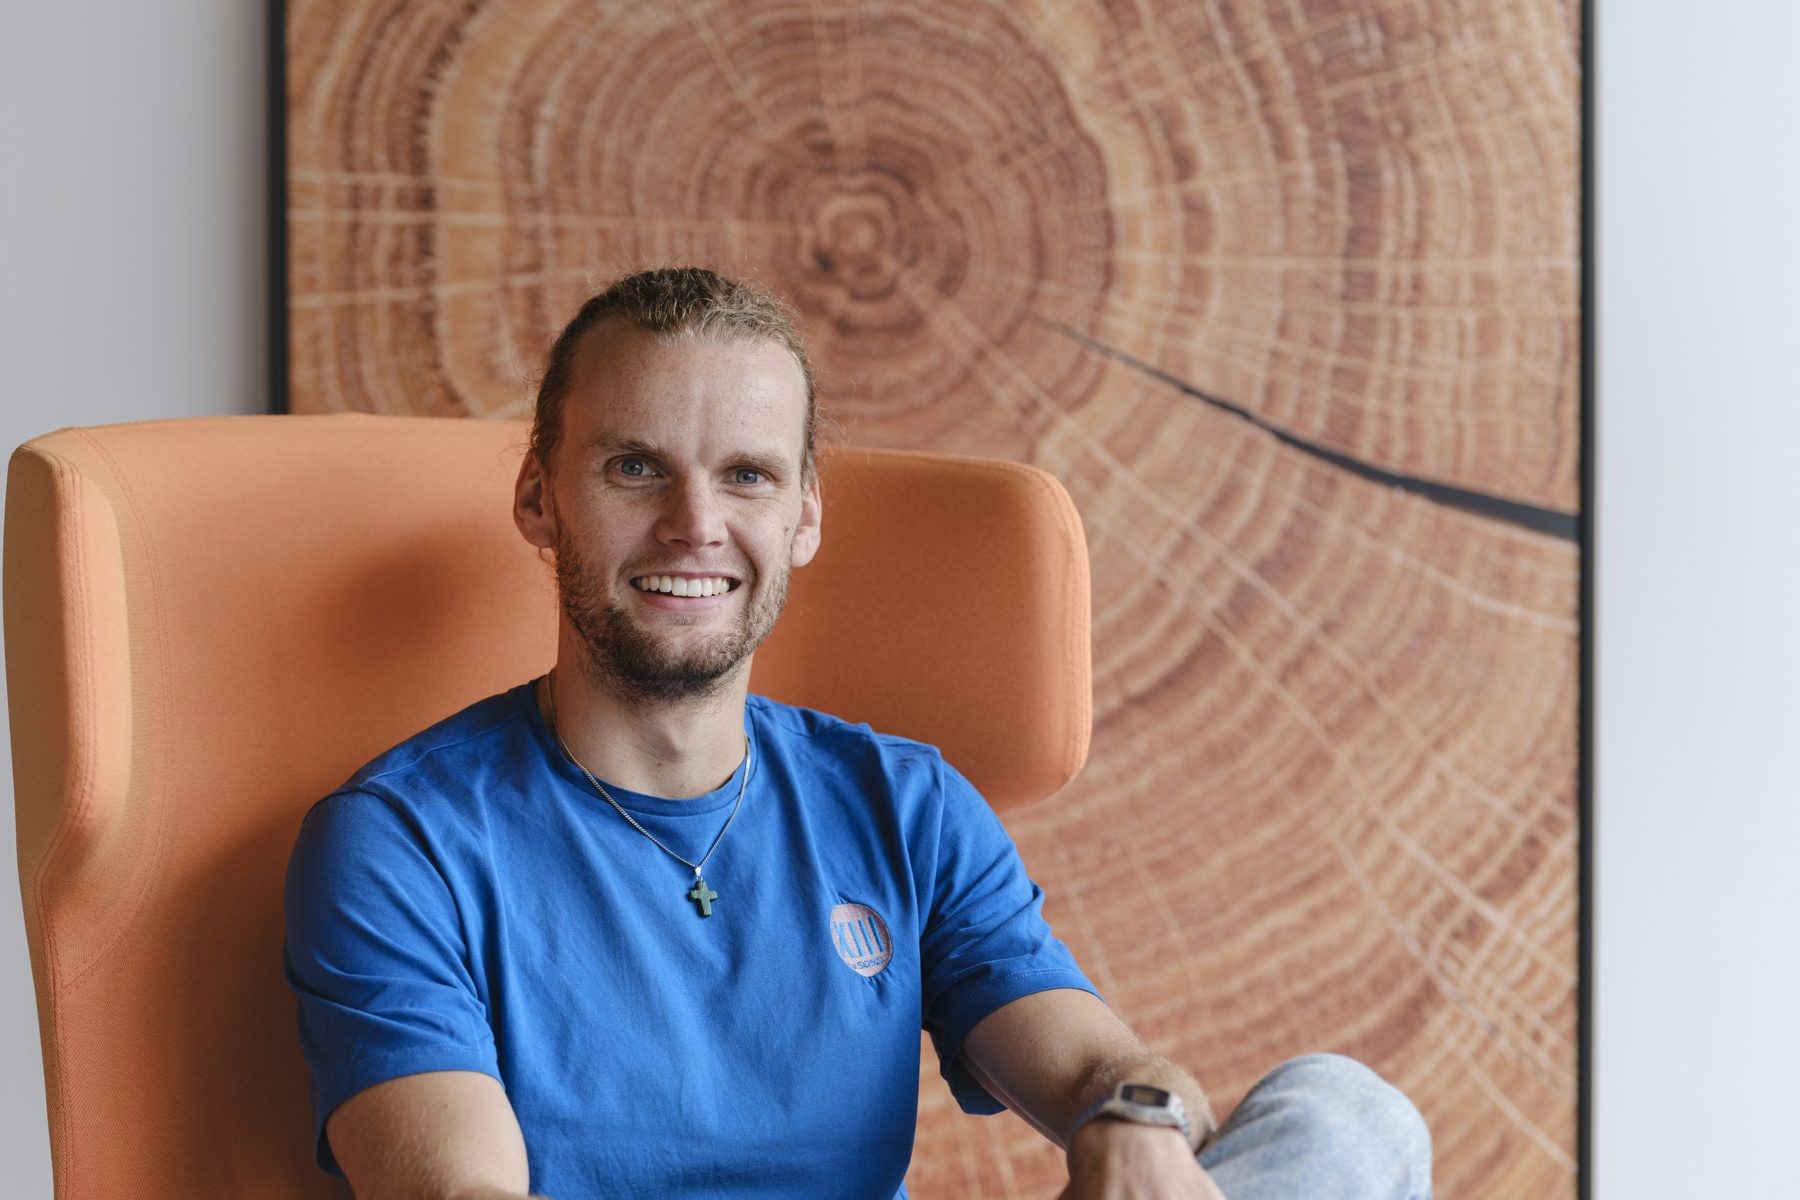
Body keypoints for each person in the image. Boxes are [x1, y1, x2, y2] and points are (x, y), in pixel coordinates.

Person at [283, 267, 1433, 1199]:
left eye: (747, 476)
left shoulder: (904, 805)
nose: (695, 525)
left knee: (1344, 1117)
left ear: (804, 516)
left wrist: (1133, 1118)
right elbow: (457, 1190)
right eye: (635, 468)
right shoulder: (401, 839)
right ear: (540, 497)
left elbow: (1094, 1063)